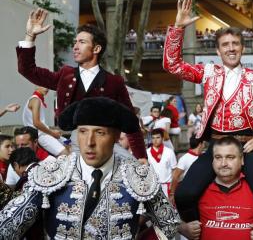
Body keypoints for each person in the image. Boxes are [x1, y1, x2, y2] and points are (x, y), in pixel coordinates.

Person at [164, 0, 253, 225]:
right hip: (215, 146)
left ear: (242, 48)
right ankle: (201, 232)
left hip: (249, 147)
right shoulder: (208, 72)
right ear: (218, 50)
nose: (231, 49)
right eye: (225, 44)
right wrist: (178, 28)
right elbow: (172, 65)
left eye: (235, 44)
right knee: (184, 195)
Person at [0, 97, 179, 239]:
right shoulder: (49, 174)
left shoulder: (139, 176)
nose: (89, 143)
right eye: (83, 132)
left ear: (116, 136)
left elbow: (169, 224)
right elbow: (7, 227)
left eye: (100, 133)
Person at [17, 8, 147, 160]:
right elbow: (27, 69)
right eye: (75, 42)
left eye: (82, 42)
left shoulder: (114, 82)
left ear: (96, 49)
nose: (75, 47)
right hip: (76, 145)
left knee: (138, 173)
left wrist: (141, 156)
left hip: (107, 146)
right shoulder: (65, 75)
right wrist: (30, 36)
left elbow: (131, 122)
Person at [178, 137, 253, 240]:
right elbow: (165, 214)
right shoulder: (198, 188)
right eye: (218, 157)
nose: (223, 163)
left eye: (230, 157)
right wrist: (183, 228)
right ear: (212, 160)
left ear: (242, 160)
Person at [23, 86, 68, 156]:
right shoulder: (36, 100)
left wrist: (52, 130)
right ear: (36, 86)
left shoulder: (38, 99)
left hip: (44, 133)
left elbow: (40, 123)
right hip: (40, 135)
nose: (46, 89)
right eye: (43, 86)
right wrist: (52, 133)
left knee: (69, 143)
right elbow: (36, 123)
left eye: (47, 86)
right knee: (65, 153)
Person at [170, 136, 205, 204]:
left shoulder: (204, 156)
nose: (204, 145)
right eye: (203, 143)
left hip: (202, 192)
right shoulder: (184, 158)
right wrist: (172, 194)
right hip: (189, 192)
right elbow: (175, 177)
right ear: (200, 144)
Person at [147, 128, 177, 198]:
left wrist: (172, 188)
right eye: (153, 138)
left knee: (170, 208)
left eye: (158, 137)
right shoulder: (147, 153)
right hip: (153, 187)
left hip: (167, 186)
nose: (155, 140)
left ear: (162, 138)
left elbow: (174, 170)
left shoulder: (169, 152)